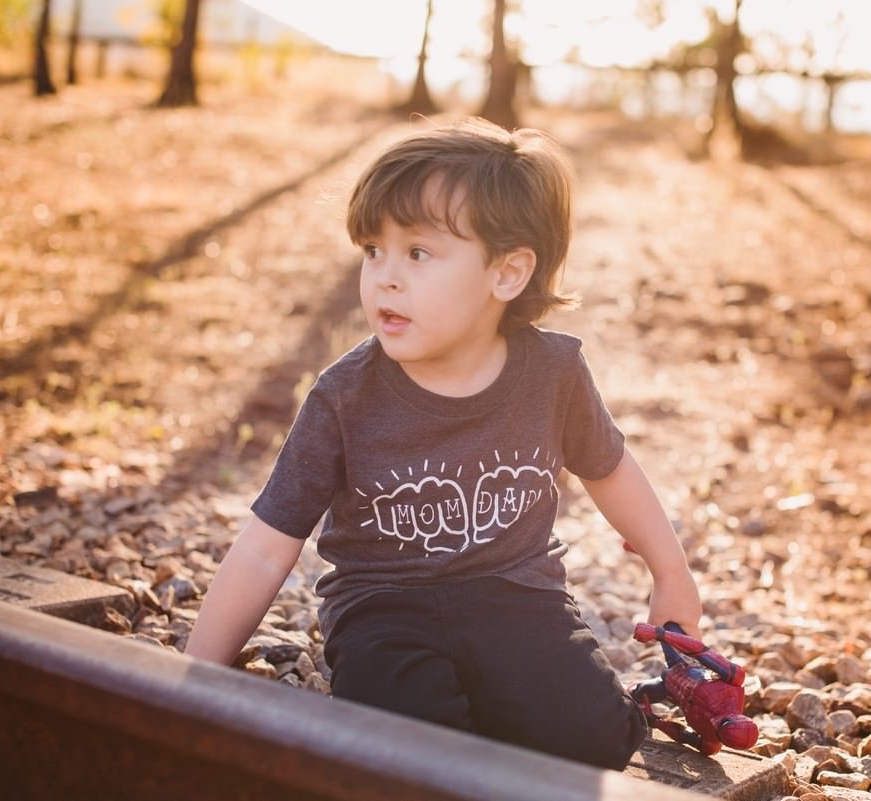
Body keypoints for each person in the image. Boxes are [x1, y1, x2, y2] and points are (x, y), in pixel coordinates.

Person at [184, 117, 702, 770]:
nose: (384, 278)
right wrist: (192, 681)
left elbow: (611, 471)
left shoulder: (553, 375)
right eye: (373, 250)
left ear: (507, 273)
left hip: (518, 599)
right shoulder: (345, 396)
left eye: (418, 254)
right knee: (410, 748)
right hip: (384, 610)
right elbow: (266, 548)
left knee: (593, 741)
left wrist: (670, 571)